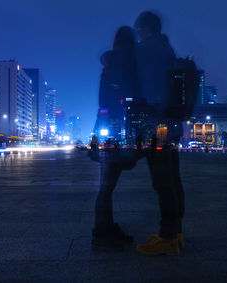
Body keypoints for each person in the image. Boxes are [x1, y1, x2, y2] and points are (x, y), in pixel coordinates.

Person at [133, 11, 185, 255]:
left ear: (146, 28)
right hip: (171, 122)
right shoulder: (167, 48)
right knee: (173, 178)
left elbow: (151, 89)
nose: (137, 33)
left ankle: (167, 238)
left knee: (163, 181)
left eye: (139, 29)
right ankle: (176, 233)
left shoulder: (148, 49)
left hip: (158, 123)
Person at [92, 26, 140, 250]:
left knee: (106, 185)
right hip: (123, 129)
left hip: (109, 131)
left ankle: (105, 229)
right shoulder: (131, 66)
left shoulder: (108, 68)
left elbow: (102, 102)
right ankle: (103, 232)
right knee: (107, 185)